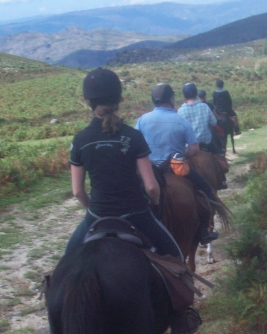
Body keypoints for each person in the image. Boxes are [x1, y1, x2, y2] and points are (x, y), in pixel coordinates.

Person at [64, 68, 183, 259]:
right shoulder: (133, 136)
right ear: (119, 100)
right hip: (136, 214)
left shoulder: (80, 140)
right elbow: (151, 186)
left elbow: (78, 191)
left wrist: (94, 211)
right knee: (177, 257)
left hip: (97, 216)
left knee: (66, 261)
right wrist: (154, 203)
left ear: (88, 102)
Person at [136, 83, 218, 244]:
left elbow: (135, 147)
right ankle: (203, 232)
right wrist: (182, 154)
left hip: (150, 171)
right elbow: (194, 148)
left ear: (154, 100)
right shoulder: (180, 120)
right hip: (176, 168)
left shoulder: (142, 120)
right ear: (171, 99)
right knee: (206, 190)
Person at [178, 83, 223, 156]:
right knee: (221, 157)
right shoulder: (204, 106)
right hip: (207, 143)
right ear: (196, 93)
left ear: (184, 95)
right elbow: (214, 123)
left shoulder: (180, 111)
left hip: (189, 147)